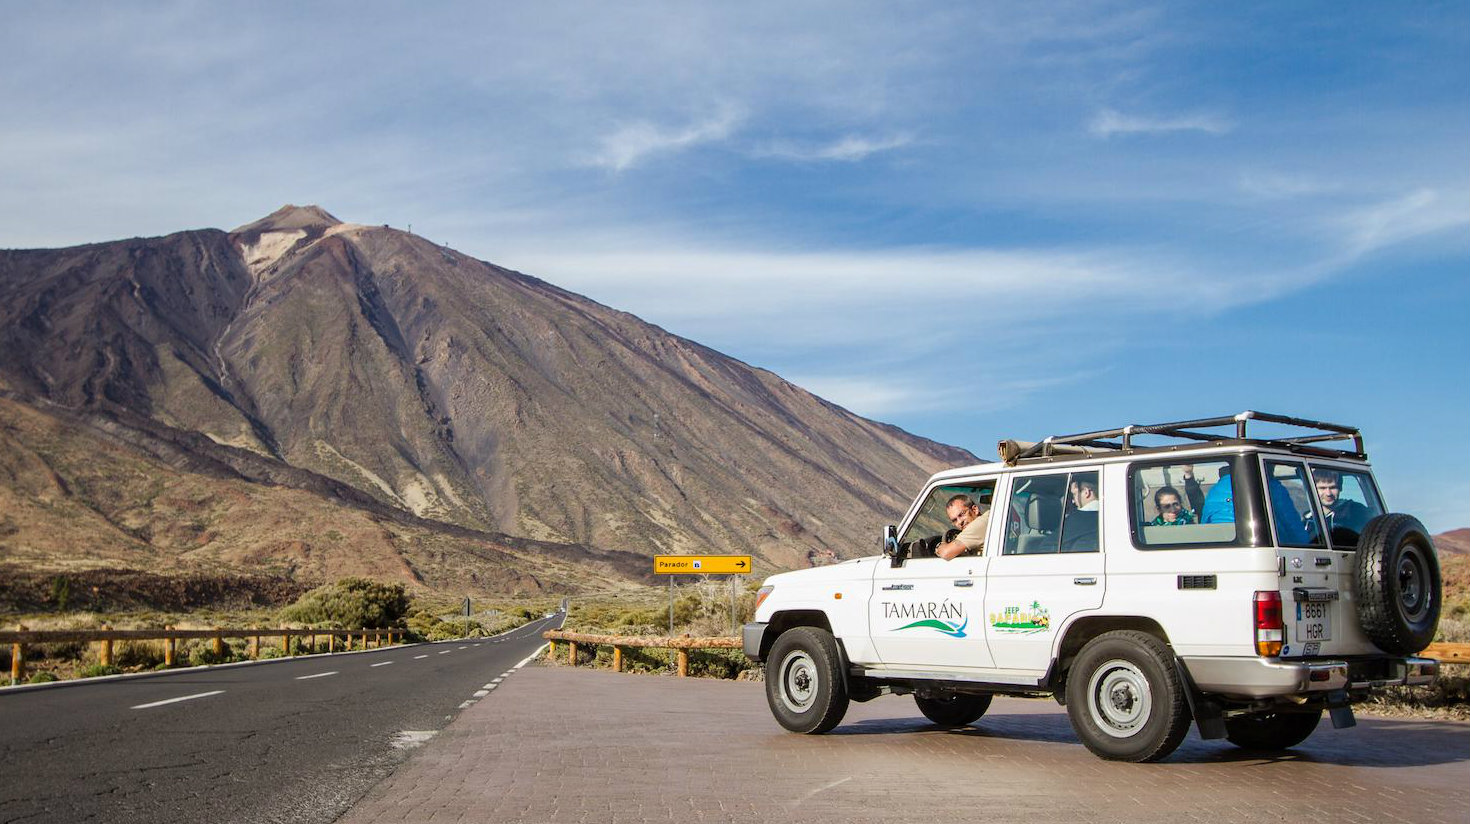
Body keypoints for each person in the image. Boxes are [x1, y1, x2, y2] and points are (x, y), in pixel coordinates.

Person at [1310, 469, 1372, 537]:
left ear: (1340, 488)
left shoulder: (1357, 511)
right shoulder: (1310, 519)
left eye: (1333, 488)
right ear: (1314, 489)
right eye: (1322, 488)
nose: (1328, 493)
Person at [936, 494, 990, 560]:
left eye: (962, 514)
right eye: (954, 520)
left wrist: (940, 546)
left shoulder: (979, 524)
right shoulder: (988, 518)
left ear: (974, 510)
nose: (959, 522)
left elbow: (946, 553)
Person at [1062, 477, 1100, 552]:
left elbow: (1046, 548)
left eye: (1074, 494)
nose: (1073, 501)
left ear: (1086, 492)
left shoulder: (1075, 520)